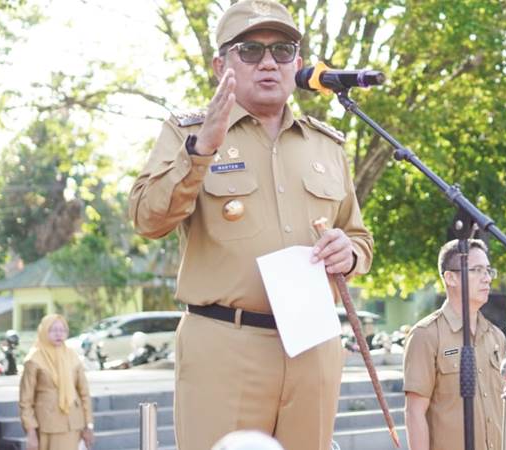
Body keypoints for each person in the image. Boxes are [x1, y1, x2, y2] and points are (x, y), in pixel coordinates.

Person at [128, 1, 373, 449]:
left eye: (282, 51)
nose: (268, 63)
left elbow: (358, 236)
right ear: (220, 65)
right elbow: (148, 219)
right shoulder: (188, 132)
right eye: (250, 50)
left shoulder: (326, 144)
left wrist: (350, 253)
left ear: (298, 64)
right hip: (226, 344)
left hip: (313, 344)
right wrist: (200, 150)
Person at [403, 239, 506, 450]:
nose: (487, 278)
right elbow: (414, 411)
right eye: (477, 270)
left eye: (488, 270)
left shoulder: (496, 337)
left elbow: (504, 406)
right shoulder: (426, 335)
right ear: (450, 278)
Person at [19, 315, 94, 450]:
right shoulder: (34, 359)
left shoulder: (72, 356)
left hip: (75, 423)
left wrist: (89, 425)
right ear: (44, 331)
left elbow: (84, 393)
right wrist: (31, 432)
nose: (59, 334)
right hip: (48, 425)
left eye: (62, 330)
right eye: (53, 330)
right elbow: (26, 400)